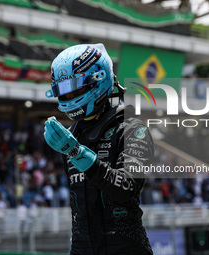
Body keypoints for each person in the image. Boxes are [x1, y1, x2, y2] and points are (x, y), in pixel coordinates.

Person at [44, 43, 154, 255]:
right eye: (63, 92)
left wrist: (78, 153)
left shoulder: (132, 129)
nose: (68, 97)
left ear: (99, 78)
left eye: (75, 88)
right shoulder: (70, 136)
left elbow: (127, 189)